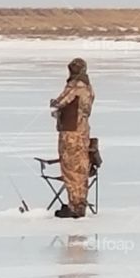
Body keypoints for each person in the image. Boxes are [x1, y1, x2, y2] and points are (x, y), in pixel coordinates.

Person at [50, 58, 95, 218]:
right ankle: (79, 204)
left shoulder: (75, 85)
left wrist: (55, 106)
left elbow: (59, 102)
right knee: (81, 168)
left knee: (70, 168)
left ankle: (74, 206)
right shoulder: (88, 87)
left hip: (71, 132)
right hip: (82, 131)